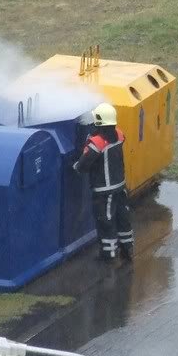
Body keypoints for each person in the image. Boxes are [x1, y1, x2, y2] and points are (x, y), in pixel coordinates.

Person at [73, 102, 134, 261]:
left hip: (104, 191)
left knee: (106, 221)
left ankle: (109, 254)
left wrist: (76, 166)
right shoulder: (119, 135)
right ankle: (127, 248)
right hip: (120, 187)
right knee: (123, 219)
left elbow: (84, 164)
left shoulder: (97, 142)